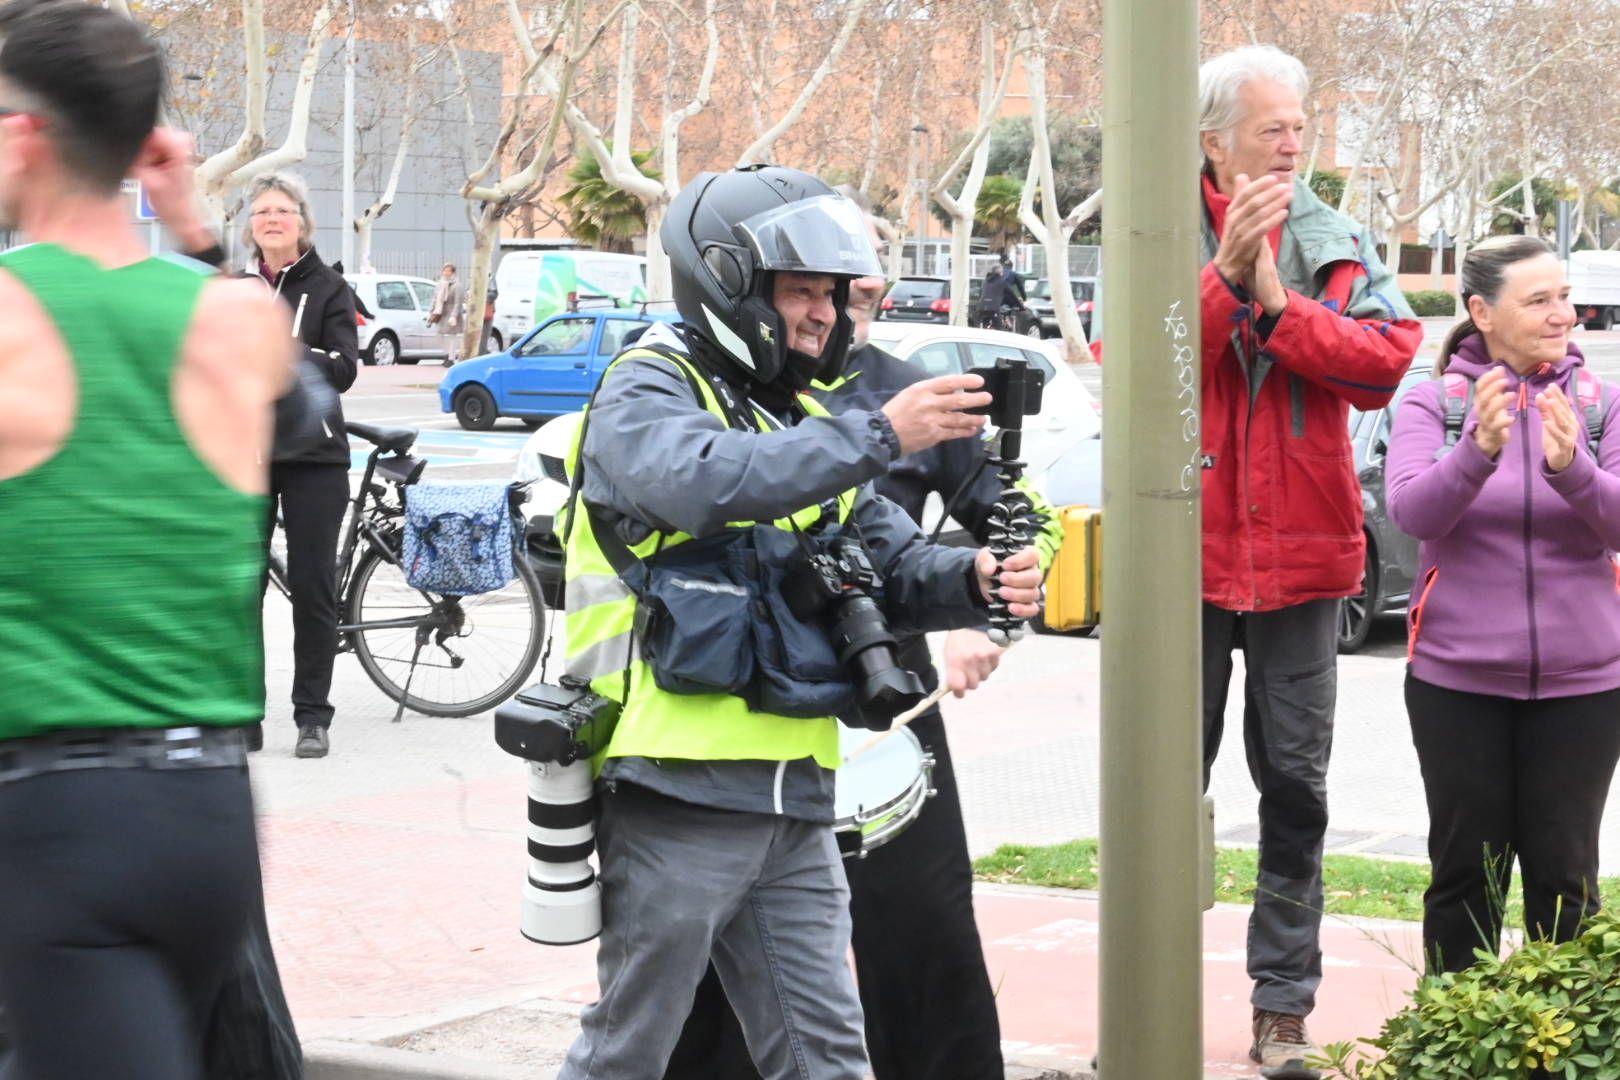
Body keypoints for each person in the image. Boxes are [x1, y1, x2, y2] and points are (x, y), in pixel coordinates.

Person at [554, 165, 1044, 1080]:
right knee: (631, 1048)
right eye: (801, 292)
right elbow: (704, 481)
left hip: (796, 792)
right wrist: (881, 436)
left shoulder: (803, 417)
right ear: (729, 281)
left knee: (826, 1055)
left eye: (831, 294)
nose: (825, 314)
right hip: (677, 788)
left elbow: (893, 563)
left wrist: (981, 579)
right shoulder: (646, 390)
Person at [0, 4, 300, 1077]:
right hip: (208, 823)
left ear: (26, 137)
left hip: (59, 825)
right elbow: (305, 414)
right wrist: (192, 226)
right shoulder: (239, 321)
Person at [1194, 44, 1421, 1075]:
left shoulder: (1338, 241)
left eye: (1298, 127)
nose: (1292, 145)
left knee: (1296, 793)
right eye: (1270, 129)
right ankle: (1140, 983)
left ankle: (1281, 1009)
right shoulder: (1158, 232)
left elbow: (1385, 365)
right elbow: (1135, 363)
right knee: (1157, 792)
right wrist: (1221, 280)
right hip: (1181, 571)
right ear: (1213, 142)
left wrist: (1281, 303)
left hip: (1305, 567)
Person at [1386, 235, 1620, 973]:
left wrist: (1572, 471)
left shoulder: (1600, 405)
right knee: (1464, 879)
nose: (1564, 315)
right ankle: (1456, 1040)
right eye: (1540, 300)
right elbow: (1413, 513)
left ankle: (1563, 1046)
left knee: (1566, 882)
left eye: (1565, 298)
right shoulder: (1437, 403)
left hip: (1585, 685)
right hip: (1456, 683)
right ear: (1483, 312)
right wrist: (1476, 452)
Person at [243, 170, 359, 759]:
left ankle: (313, 716)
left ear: (302, 222)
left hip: (314, 458)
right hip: (244, 456)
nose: (272, 219)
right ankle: (242, 712)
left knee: (314, 590)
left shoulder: (329, 287)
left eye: (283, 210)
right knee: (238, 588)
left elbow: (343, 369)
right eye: (262, 211)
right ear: (251, 225)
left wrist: (289, 351)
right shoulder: (234, 288)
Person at [430, 261, 464, 365]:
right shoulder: (440, 284)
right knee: (438, 335)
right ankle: (447, 353)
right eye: (444, 270)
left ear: (453, 272)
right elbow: (435, 298)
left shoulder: (457, 285)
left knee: (452, 338)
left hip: (452, 314)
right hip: (440, 313)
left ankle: (451, 358)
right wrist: (431, 311)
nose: (445, 272)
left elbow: (458, 302)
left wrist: (454, 316)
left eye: (448, 270)